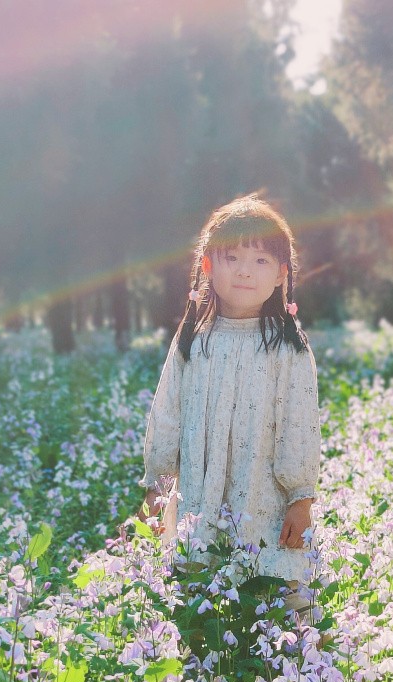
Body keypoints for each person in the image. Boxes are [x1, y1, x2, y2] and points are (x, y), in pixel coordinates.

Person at [137, 194, 321, 622]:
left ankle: (298, 660)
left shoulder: (288, 347)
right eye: (232, 257)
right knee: (197, 600)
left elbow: (299, 424)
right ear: (207, 266)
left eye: (260, 261)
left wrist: (301, 499)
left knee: (283, 599)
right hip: (200, 493)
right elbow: (167, 414)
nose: (244, 271)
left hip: (265, 498)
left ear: (281, 274)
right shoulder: (192, 342)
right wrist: (158, 485)